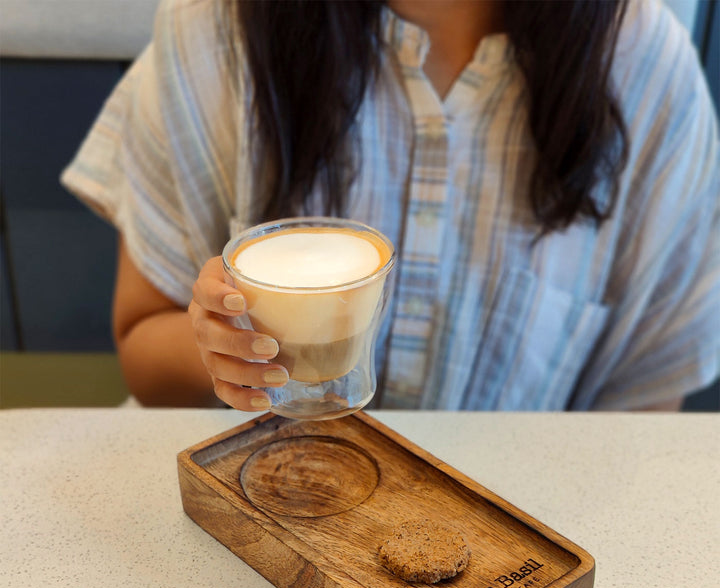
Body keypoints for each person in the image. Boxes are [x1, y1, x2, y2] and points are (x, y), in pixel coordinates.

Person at [62, 0, 720, 412]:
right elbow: (143, 353)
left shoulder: (648, 74)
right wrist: (219, 350)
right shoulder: (214, 31)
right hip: (254, 513)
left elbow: (642, 405)